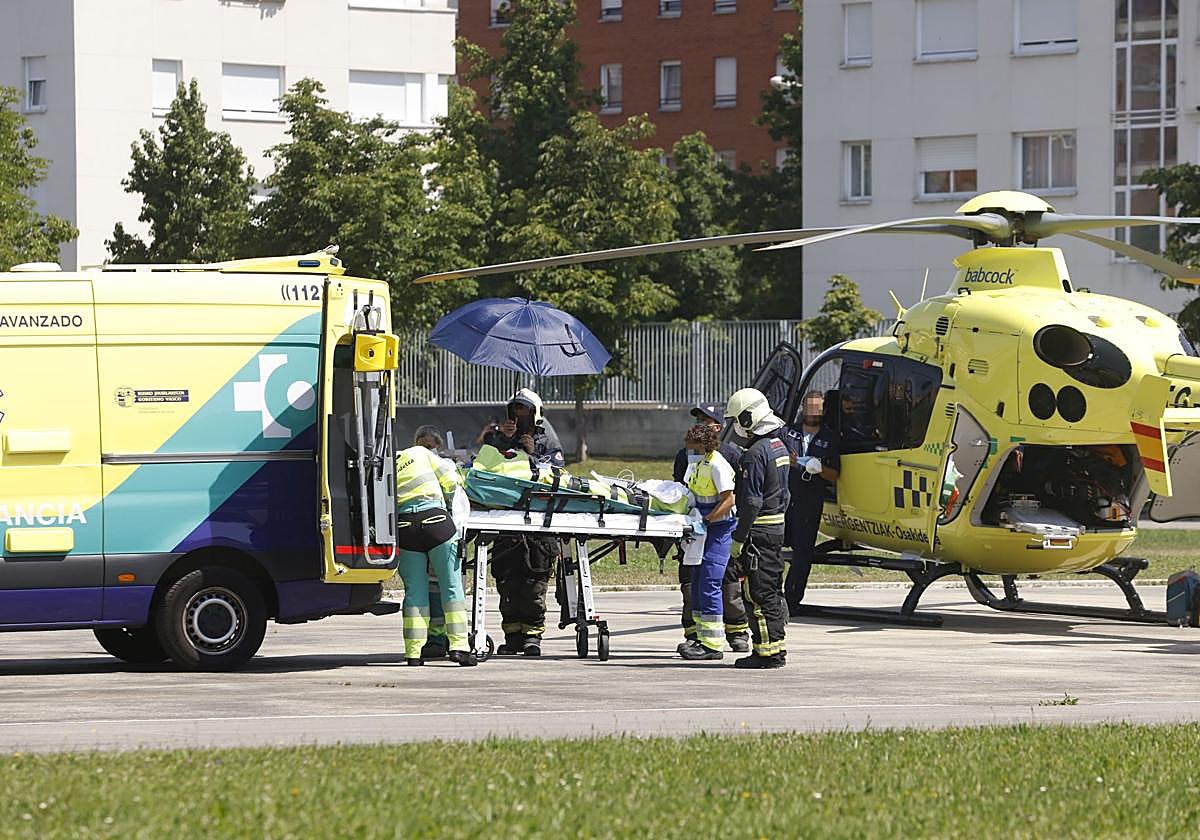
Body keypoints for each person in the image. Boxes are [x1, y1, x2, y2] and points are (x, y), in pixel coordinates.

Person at [480, 388, 564, 657]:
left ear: (534, 412)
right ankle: (512, 636)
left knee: (533, 582)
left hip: (537, 525)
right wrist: (504, 441)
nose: (519, 414)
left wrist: (532, 453)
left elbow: (557, 473)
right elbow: (485, 465)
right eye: (515, 409)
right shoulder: (500, 436)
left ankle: (532, 637)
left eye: (524, 409)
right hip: (506, 521)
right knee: (507, 581)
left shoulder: (547, 438)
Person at [672, 405, 749, 653]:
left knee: (712, 582)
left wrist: (705, 521)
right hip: (699, 529)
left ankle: (716, 642)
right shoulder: (693, 461)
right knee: (696, 581)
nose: (690, 452)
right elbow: (685, 490)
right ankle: (700, 637)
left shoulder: (721, 462)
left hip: (718, 529)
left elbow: (730, 498)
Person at [724, 387, 792, 669]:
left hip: (759, 535)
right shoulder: (779, 446)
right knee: (772, 590)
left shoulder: (754, 454)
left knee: (758, 594)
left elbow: (751, 501)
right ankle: (775, 648)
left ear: (747, 418)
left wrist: (739, 538)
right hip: (776, 530)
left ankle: (767, 653)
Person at [394, 442, 476, 667]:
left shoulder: (389, 463)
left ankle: (413, 653)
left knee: (414, 592)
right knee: (451, 586)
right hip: (436, 521)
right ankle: (459, 647)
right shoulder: (422, 453)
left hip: (404, 527)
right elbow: (451, 481)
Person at [783, 392, 841, 613]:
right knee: (772, 548)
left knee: (802, 553)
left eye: (817, 408)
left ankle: (792, 599)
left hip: (810, 501)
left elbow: (835, 474)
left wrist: (818, 468)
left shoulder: (831, 437)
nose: (813, 412)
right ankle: (770, 595)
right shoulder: (788, 433)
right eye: (809, 407)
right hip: (785, 498)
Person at [412, 425, 456, 660]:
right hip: (424, 533)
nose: (426, 451)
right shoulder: (417, 466)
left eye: (430, 447)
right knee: (432, 589)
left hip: (439, 533)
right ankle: (439, 638)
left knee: (440, 587)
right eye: (423, 446)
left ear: (438, 447)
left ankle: (440, 638)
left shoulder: (444, 466)